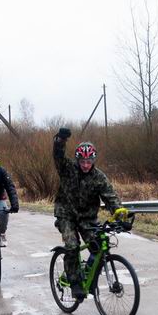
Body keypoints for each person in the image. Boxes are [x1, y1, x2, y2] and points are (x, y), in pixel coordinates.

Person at [52, 128, 123, 301]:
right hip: (66, 215)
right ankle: (75, 282)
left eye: (89, 161)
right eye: (82, 161)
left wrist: (121, 216)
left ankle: (89, 279)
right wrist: (60, 140)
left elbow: (110, 197)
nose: (85, 164)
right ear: (77, 159)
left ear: (93, 160)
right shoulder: (67, 169)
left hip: (87, 219)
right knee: (72, 245)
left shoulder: (99, 177)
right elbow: (58, 155)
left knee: (99, 245)